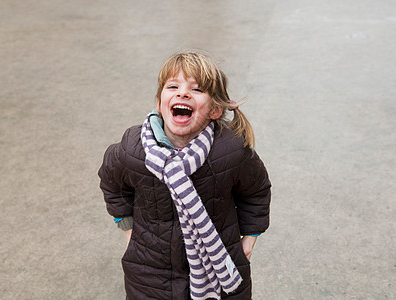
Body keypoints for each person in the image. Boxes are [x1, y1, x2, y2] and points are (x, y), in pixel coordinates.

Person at [98, 51, 271, 300]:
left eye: (197, 89)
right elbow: (112, 183)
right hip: (149, 273)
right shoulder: (133, 150)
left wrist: (249, 238)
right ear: (159, 103)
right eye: (173, 86)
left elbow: (256, 190)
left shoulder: (230, 151)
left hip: (219, 264)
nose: (183, 93)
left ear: (215, 110)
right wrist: (127, 229)